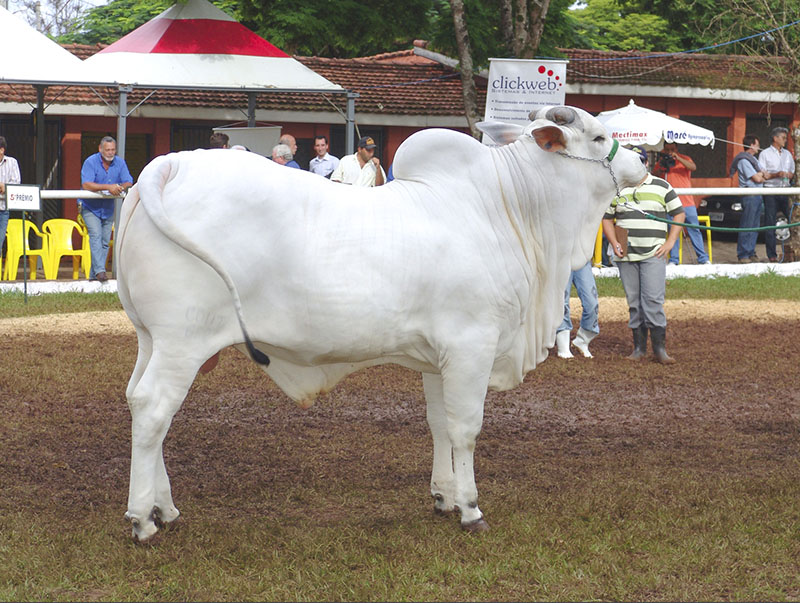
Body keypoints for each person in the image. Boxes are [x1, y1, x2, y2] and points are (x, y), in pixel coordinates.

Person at [602, 145, 685, 364]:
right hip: (626, 255)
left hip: (653, 253)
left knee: (652, 300)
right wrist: (613, 242)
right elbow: (606, 218)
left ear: (645, 163)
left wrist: (670, 242)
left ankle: (660, 349)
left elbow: (679, 214)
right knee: (634, 302)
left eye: (638, 161)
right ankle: (639, 348)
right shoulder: (617, 188)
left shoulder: (662, 186)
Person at [80, 136, 133, 282]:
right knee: (96, 236)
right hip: (90, 207)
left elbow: (129, 180)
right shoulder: (90, 162)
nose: (110, 153)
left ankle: (94, 275)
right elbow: (87, 185)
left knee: (104, 240)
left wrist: (120, 187)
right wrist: (108, 187)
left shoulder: (120, 163)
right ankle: (101, 271)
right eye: (107, 149)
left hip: (108, 209)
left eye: (113, 150)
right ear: (100, 149)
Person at [652, 142, 709, 265]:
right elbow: (653, 175)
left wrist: (678, 158)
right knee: (673, 231)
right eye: (667, 149)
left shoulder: (685, 158)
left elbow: (693, 167)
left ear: (676, 148)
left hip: (687, 202)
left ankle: (703, 258)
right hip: (670, 203)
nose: (669, 152)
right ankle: (674, 259)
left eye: (672, 149)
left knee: (695, 229)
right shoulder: (662, 161)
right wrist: (662, 166)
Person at [758, 126, 794, 262]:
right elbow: (763, 175)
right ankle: (771, 255)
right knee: (770, 223)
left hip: (785, 191)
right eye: (783, 138)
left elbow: (792, 172)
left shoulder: (788, 154)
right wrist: (776, 174)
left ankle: (793, 250)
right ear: (775, 138)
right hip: (771, 191)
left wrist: (788, 175)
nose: (785, 140)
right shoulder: (765, 154)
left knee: (793, 219)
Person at [729, 134, 766, 263]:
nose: (758, 147)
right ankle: (743, 253)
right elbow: (757, 178)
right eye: (757, 144)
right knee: (747, 224)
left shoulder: (754, 160)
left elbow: (764, 174)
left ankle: (751, 252)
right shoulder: (744, 161)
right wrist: (761, 175)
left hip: (758, 195)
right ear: (751, 145)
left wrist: (761, 175)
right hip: (750, 196)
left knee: (755, 225)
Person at [555, 260, 599, 359]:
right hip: (560, 257)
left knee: (592, 303)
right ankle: (563, 346)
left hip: (582, 258)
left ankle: (582, 340)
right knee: (561, 301)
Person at [0, 136, 21, 256]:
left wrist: (4, 186)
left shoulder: (12, 162)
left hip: (3, 210)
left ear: (1, 150)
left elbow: (16, 183)